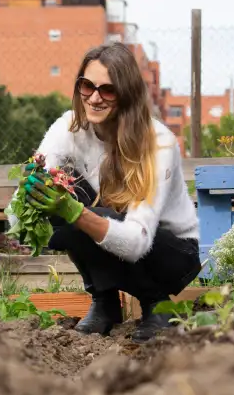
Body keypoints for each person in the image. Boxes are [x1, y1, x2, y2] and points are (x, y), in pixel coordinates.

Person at [16, 43, 202, 342]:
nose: (94, 97)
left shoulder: (158, 143)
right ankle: (105, 303)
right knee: (59, 189)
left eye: (108, 90)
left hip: (173, 253)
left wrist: (75, 213)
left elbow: (136, 243)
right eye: (87, 86)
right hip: (118, 228)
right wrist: (32, 190)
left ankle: (157, 303)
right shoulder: (69, 127)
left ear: (126, 94)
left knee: (85, 217)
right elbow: (29, 195)